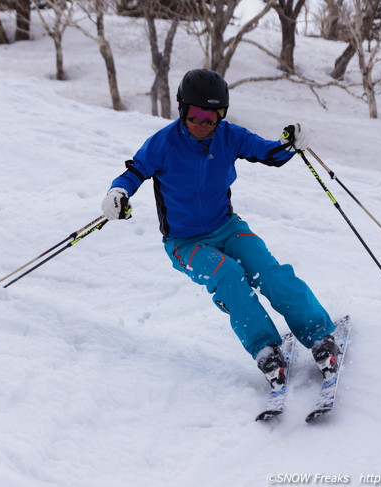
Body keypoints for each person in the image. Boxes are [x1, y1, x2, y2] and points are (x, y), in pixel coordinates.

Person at [100, 68, 340, 394]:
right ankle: (266, 351)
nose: (203, 124)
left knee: (270, 272)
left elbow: (269, 152)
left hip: (228, 227)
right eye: (195, 115)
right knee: (228, 276)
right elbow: (134, 171)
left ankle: (320, 336)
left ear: (221, 116)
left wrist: (292, 142)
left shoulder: (229, 136)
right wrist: (119, 193)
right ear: (183, 109)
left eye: (211, 117)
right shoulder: (163, 143)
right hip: (185, 243)